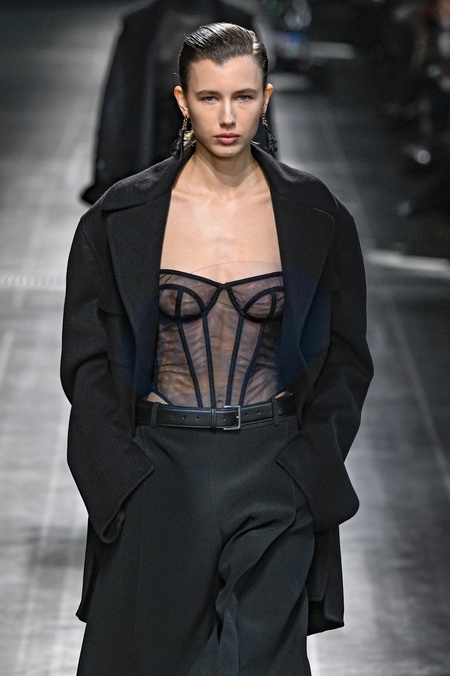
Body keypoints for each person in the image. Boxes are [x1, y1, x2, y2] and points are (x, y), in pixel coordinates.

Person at [61, 22, 373, 675]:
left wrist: (307, 471)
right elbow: (87, 364)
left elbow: (345, 358)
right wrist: (121, 480)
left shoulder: (316, 215)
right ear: (182, 100)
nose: (227, 117)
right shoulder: (121, 219)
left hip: (273, 467)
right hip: (160, 471)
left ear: (266, 98)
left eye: (243, 97)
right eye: (210, 97)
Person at [80, 0, 271, 205]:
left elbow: (257, 106)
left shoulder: (240, 24)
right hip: (156, 149)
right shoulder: (139, 26)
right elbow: (118, 104)